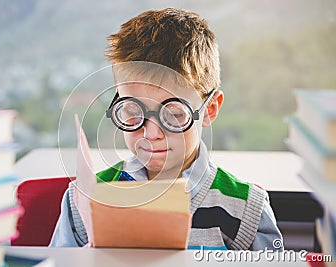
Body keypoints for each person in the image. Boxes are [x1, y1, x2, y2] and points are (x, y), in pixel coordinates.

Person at [49, 7, 283, 250]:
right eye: (132, 112)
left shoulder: (246, 211)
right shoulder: (85, 201)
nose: (151, 135)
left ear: (210, 109)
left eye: (173, 115)